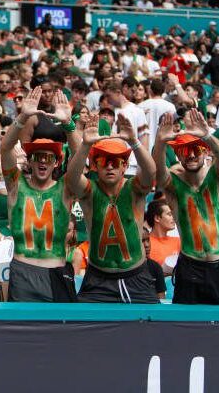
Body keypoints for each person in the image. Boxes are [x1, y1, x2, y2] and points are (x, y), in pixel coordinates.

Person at [66, 113, 158, 303]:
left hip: (136, 277)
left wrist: (134, 142)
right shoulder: (89, 192)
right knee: (85, 328)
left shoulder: (134, 188)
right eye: (103, 161)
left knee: (148, 329)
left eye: (115, 162)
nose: (109, 167)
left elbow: (150, 172)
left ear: (124, 166)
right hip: (98, 278)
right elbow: (72, 178)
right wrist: (85, 145)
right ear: (94, 166)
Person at [1, 86, 79, 302]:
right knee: (23, 332)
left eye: (49, 157)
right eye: (38, 157)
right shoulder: (16, 185)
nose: (43, 161)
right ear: (31, 161)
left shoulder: (65, 188)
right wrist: (23, 117)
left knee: (60, 331)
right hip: (23, 272)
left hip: (56, 271)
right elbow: (5, 149)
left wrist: (68, 124)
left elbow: (80, 156)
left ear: (56, 162)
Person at [153, 110, 219, 304]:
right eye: (183, 151)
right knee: (185, 325)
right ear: (178, 156)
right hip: (190, 267)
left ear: (205, 151)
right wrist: (161, 142)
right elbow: (158, 170)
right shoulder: (174, 187)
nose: (190, 155)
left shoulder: (216, 179)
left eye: (196, 149)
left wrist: (207, 135)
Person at [145, 199, 181, 270]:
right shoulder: (145, 243)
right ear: (157, 218)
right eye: (169, 214)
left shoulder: (178, 241)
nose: (173, 218)